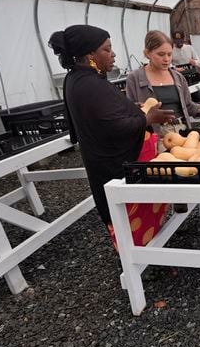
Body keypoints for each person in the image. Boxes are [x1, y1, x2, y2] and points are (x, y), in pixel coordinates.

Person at [48, 24, 174, 243]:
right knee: (128, 212)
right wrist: (148, 118)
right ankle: (136, 256)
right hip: (113, 166)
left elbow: (105, 113)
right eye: (107, 49)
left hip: (101, 161)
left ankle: (146, 247)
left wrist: (133, 107)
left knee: (132, 214)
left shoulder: (78, 79)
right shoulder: (90, 84)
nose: (113, 54)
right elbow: (113, 126)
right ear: (90, 55)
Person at [126, 30, 200, 132]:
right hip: (153, 136)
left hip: (182, 131)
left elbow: (188, 105)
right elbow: (130, 112)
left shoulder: (178, 77)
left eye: (169, 54)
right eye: (161, 54)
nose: (166, 59)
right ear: (147, 53)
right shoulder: (135, 78)